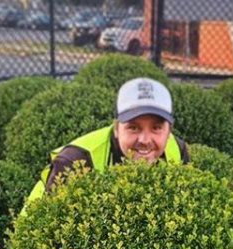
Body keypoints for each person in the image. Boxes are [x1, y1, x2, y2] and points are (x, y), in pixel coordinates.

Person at [26, 77, 189, 203]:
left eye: (156, 128)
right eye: (133, 127)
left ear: (169, 131)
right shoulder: (76, 160)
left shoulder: (177, 150)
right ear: (117, 128)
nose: (145, 140)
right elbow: (50, 232)